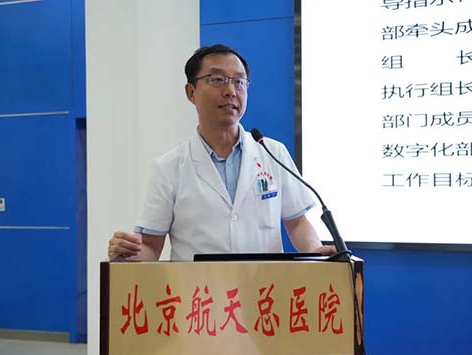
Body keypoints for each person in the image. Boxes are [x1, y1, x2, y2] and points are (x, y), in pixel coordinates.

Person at [108, 44, 335, 261]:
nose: (230, 91)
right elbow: (151, 246)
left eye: (239, 82)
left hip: (264, 286)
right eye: (217, 80)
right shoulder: (168, 168)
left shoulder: (273, 153)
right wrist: (128, 252)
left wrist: (314, 250)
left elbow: (297, 223)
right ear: (191, 92)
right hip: (199, 288)